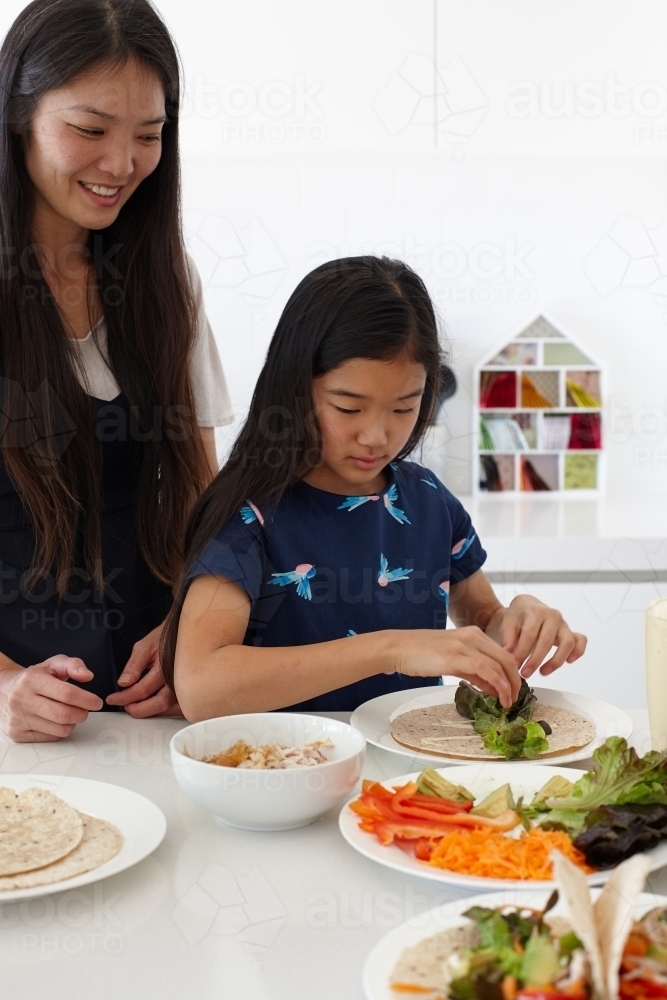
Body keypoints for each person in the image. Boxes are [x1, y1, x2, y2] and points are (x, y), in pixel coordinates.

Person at [161, 257, 586, 719]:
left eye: (404, 408)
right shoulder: (249, 516)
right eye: (348, 408)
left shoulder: (427, 499)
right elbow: (201, 686)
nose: (377, 436)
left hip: (410, 776)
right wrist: (392, 649)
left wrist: (519, 619)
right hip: (287, 775)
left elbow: (482, 619)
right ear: (295, 389)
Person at [0, 0, 233, 742]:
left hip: (151, 708)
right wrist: (6, 689)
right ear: (17, 114)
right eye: (91, 130)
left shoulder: (166, 280)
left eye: (149, 135)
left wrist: (187, 631)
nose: (122, 164)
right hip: (18, 721)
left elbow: (202, 487)